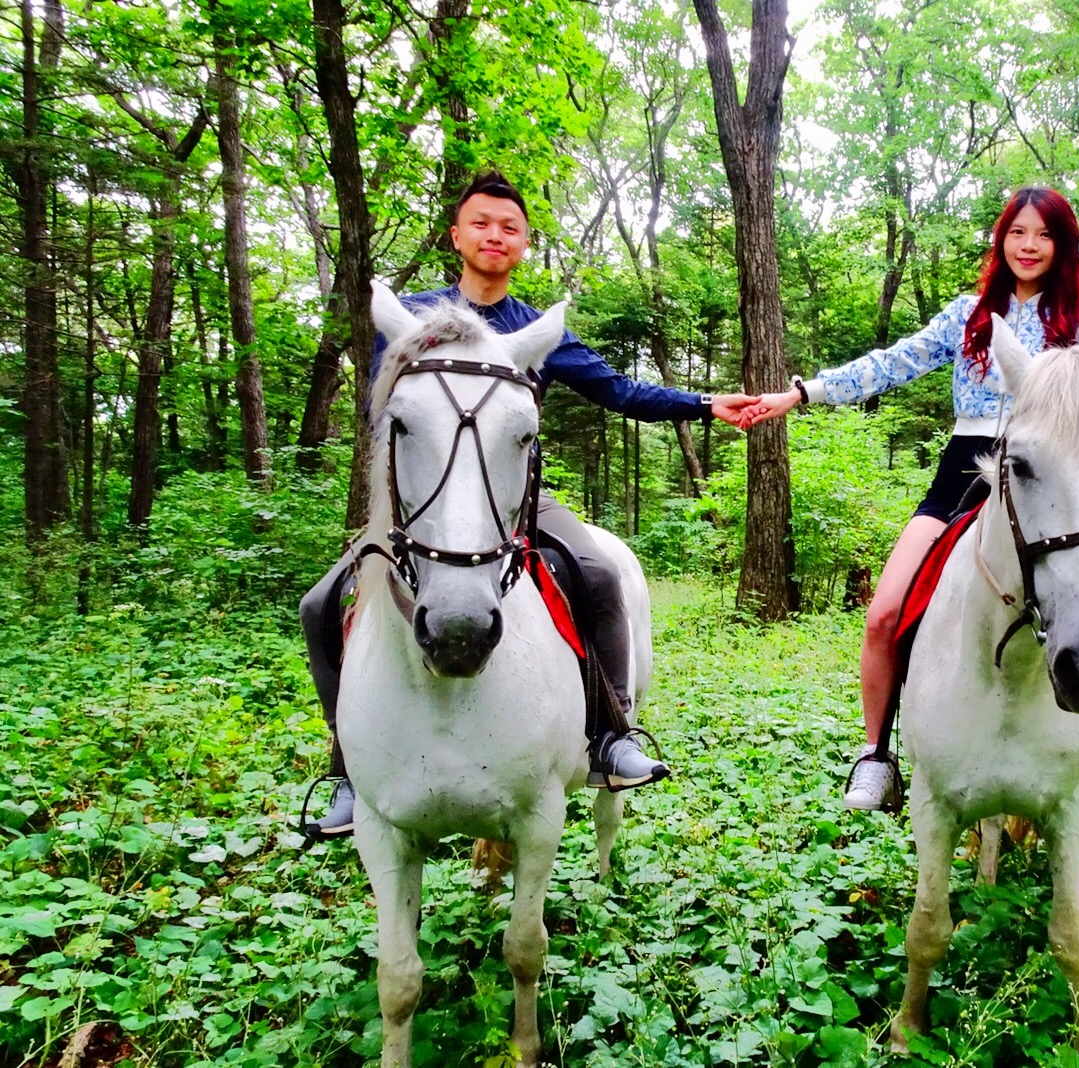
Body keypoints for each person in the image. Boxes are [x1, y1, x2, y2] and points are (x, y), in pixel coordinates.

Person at [301, 170, 758, 838]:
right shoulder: (410, 321)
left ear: (523, 244)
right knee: (320, 603)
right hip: (418, 504)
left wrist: (704, 403)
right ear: (456, 235)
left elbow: (619, 390)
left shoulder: (533, 329)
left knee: (596, 573)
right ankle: (348, 767)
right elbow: (385, 414)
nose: (495, 235)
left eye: (509, 227)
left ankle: (608, 735)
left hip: (512, 500)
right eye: (481, 223)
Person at [746, 187, 1079, 811]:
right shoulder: (968, 314)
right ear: (1001, 239)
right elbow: (893, 363)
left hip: (1051, 477)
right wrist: (804, 393)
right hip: (966, 465)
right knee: (885, 612)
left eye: (1044, 234)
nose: (1029, 246)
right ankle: (877, 755)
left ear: (1062, 245)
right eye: (1018, 232)